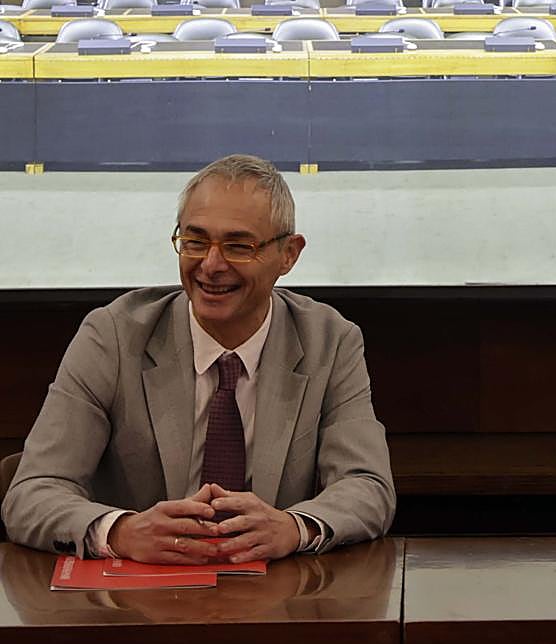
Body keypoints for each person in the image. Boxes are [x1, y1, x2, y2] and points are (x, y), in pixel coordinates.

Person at [3, 155, 395, 563]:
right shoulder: (113, 336)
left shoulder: (330, 342)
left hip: (275, 604)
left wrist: (293, 527)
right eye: (195, 242)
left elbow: (367, 485)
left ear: (289, 255)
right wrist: (121, 531)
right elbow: (33, 492)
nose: (210, 265)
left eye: (238, 246)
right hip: (137, 608)